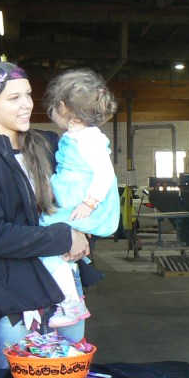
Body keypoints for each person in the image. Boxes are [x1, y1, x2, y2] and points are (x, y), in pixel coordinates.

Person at [0, 60, 90, 368]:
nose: (27, 104)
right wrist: (64, 236)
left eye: (27, 94)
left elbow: (80, 194)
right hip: (16, 299)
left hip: (66, 292)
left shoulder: (46, 143)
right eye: (14, 98)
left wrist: (85, 228)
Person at [39, 69, 120, 328]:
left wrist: (89, 203)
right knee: (55, 247)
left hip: (83, 205)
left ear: (63, 107)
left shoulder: (90, 139)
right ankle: (71, 295)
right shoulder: (78, 136)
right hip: (75, 201)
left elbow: (105, 173)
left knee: (46, 243)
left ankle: (71, 303)